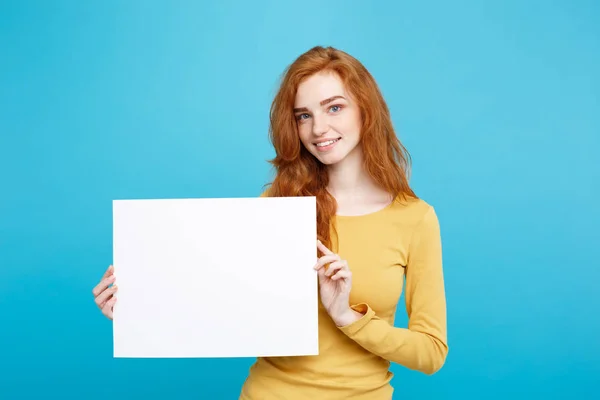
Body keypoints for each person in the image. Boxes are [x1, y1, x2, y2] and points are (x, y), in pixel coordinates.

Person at [92, 45, 448, 399]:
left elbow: (431, 352)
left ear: (366, 111)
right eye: (303, 115)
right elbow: (218, 297)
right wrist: (137, 309)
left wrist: (347, 317)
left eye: (334, 108)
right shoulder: (278, 205)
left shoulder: (414, 218)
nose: (318, 128)